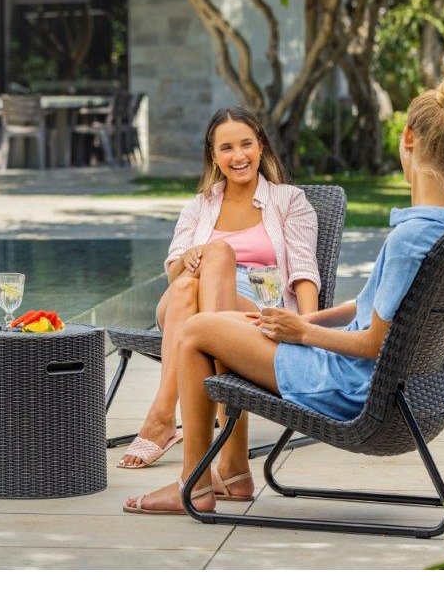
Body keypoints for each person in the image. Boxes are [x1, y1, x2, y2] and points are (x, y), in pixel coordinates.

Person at [123, 80, 444, 514]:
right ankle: (231, 471)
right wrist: (300, 323)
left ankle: (196, 483)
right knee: (212, 315)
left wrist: (303, 333)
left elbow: (374, 343)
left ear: (408, 138)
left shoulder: (409, 238)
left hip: (346, 382)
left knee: (198, 332)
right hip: (377, 378)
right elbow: (363, 308)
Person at [117, 106, 321, 497]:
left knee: (211, 263)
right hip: (190, 303)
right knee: (192, 278)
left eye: (246, 144)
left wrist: (308, 331)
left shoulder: (288, 200)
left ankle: (163, 417)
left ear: (261, 146)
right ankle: (227, 463)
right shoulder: (200, 206)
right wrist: (190, 258)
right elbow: (173, 272)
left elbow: (303, 272)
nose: (238, 155)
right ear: (213, 156)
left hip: (256, 308)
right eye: (226, 148)